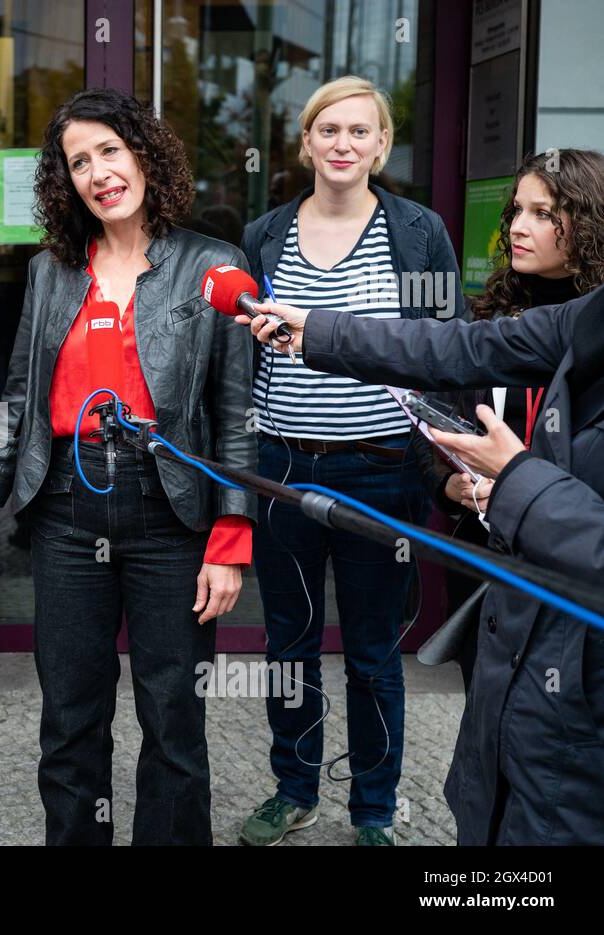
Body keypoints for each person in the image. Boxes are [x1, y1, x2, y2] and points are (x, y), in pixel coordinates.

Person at [0, 87, 256, 846]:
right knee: (70, 715)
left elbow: (235, 413)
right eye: (79, 162)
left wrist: (230, 539)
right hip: (68, 512)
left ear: (144, 152)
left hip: (170, 511)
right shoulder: (53, 271)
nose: (97, 172)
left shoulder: (214, 266)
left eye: (109, 151)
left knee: (173, 713)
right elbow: (17, 403)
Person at [238, 278, 604, 845]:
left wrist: (519, 479)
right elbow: (458, 347)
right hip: (537, 684)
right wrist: (319, 331)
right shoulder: (589, 318)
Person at [236, 76, 461, 847]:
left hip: (382, 470)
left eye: (359, 132)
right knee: (288, 644)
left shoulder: (418, 231)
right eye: (327, 131)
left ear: (381, 146)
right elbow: (242, 350)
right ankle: (294, 789)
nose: (342, 145)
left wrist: (449, 461)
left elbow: (445, 354)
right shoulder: (265, 234)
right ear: (305, 143)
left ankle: (372, 810)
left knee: (371, 651)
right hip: (283, 470)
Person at [424, 149, 604, 688]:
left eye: (544, 214)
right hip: (484, 555)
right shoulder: (488, 314)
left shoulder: (593, 333)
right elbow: (432, 416)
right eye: (517, 211)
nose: (519, 227)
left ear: (589, 222)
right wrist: (449, 486)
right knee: (485, 711)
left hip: (570, 565)